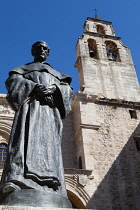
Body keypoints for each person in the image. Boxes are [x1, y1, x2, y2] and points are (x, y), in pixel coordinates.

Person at [0, 41, 73, 198]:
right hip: (29, 111)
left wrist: (55, 89)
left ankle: (51, 184)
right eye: (38, 48)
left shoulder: (57, 75)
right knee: (23, 141)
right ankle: (18, 179)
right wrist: (34, 87)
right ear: (32, 51)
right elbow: (12, 82)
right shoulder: (22, 70)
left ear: (48, 52)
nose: (42, 50)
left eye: (45, 48)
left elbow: (68, 91)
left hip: (50, 114)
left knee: (49, 147)